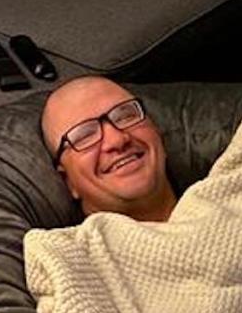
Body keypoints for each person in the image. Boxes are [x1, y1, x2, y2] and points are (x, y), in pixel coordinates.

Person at [40, 75, 177, 223]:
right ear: (68, 181)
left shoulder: (205, 194)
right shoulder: (65, 245)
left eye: (125, 116)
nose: (117, 140)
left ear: (157, 131)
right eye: (85, 135)